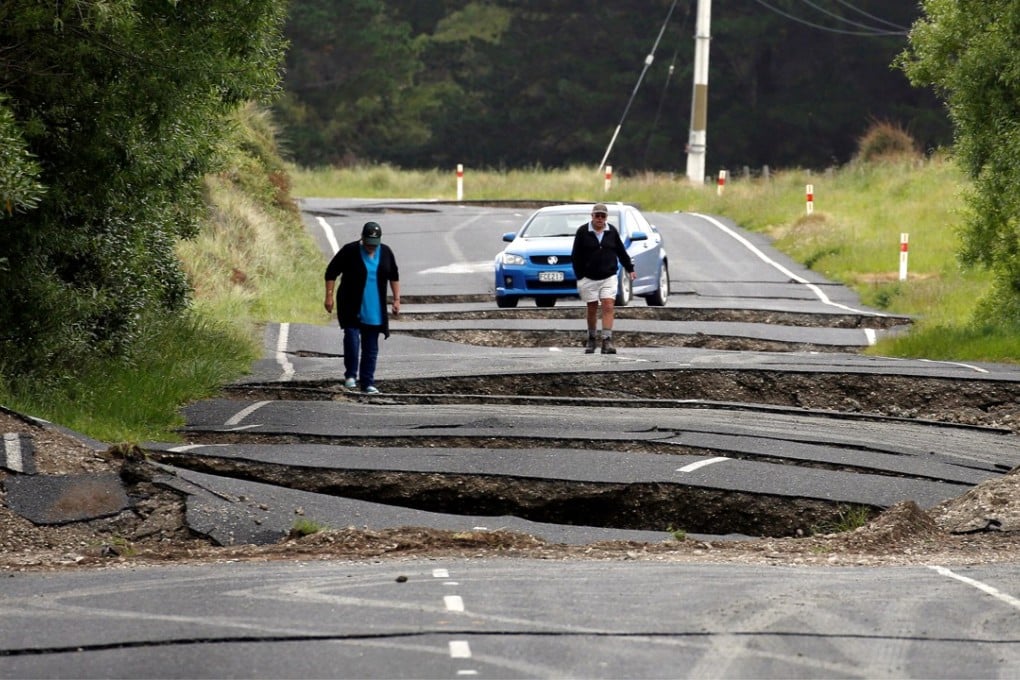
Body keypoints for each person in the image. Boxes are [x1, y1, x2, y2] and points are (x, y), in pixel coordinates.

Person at [324, 221, 400, 394]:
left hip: (374, 306)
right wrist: (328, 296)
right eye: (368, 244)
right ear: (362, 238)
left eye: (374, 244)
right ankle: (350, 375)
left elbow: (394, 276)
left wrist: (396, 300)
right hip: (350, 304)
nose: (371, 248)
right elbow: (331, 272)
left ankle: (368, 382)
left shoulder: (386, 252)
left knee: (371, 345)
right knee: (352, 338)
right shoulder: (349, 251)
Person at [570, 203, 636, 354]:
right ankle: (592, 339)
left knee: (608, 305)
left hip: (609, 276)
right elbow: (575, 256)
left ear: (606, 218)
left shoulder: (612, 231)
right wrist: (580, 275)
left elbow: (621, 251)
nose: (600, 219)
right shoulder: (582, 231)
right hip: (588, 278)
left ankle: (607, 341)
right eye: (597, 215)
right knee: (592, 308)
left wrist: (630, 268)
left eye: (603, 216)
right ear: (592, 216)